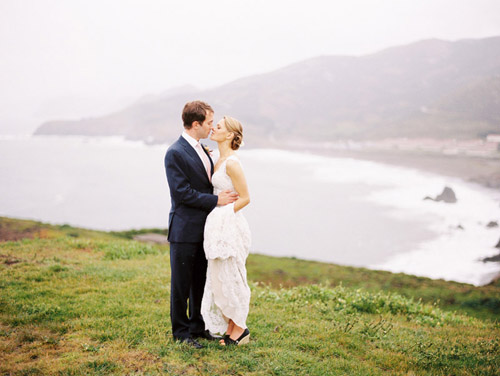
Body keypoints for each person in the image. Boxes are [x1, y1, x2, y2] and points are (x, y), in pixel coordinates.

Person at [164, 101, 238, 349]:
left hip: (205, 229)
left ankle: (197, 326)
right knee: (181, 285)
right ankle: (181, 334)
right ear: (196, 124)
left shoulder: (202, 150)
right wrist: (217, 200)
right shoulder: (175, 152)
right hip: (184, 230)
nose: (211, 127)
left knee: (199, 282)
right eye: (208, 123)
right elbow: (182, 193)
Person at [201, 116, 252, 346]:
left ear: (230, 135)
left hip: (230, 225)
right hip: (217, 226)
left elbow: (246, 198)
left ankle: (240, 329)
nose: (213, 127)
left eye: (218, 127)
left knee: (232, 275)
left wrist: (224, 212)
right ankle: (231, 326)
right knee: (220, 276)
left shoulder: (232, 162)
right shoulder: (217, 158)